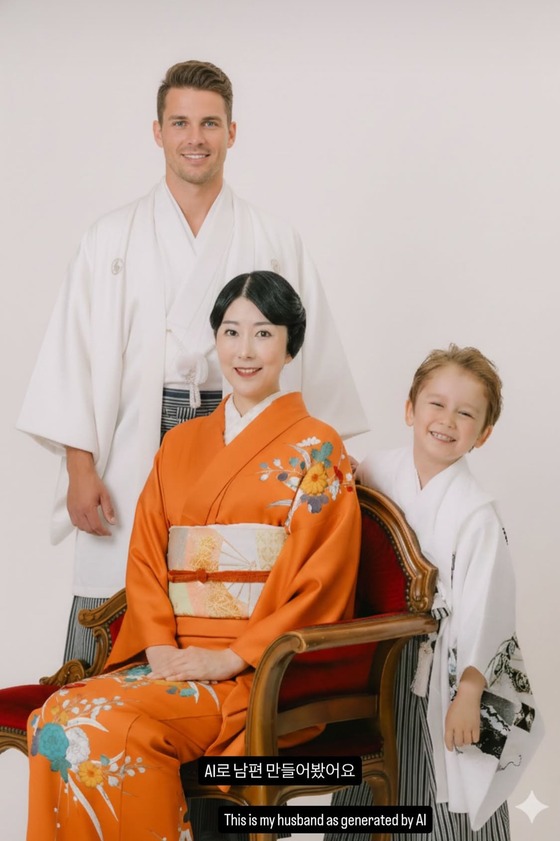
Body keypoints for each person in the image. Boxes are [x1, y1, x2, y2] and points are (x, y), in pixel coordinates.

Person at [16, 60, 368, 670]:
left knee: (230, 590)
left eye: (209, 123)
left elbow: (311, 353)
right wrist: (79, 466)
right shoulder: (110, 238)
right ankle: (102, 702)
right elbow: (74, 353)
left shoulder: (273, 237)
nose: (195, 138)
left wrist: (327, 460)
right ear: (158, 132)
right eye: (180, 123)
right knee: (117, 577)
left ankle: (218, 696)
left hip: (245, 434)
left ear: (233, 132)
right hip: (134, 436)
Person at [25, 271, 362, 841]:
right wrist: (158, 645)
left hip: (254, 674)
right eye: (231, 332)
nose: (244, 350)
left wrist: (230, 658)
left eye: (263, 333)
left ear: (290, 346)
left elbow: (320, 582)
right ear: (215, 341)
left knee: (99, 725)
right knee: (57, 716)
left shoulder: (319, 447)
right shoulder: (180, 442)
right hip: (171, 660)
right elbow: (146, 556)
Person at [327, 345, 543, 841]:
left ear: (483, 434)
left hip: (442, 665)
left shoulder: (475, 513)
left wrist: (470, 692)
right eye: (436, 404)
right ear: (410, 409)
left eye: (466, 413)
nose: (447, 420)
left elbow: (488, 608)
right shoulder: (378, 470)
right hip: (380, 658)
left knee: (439, 778)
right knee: (371, 764)